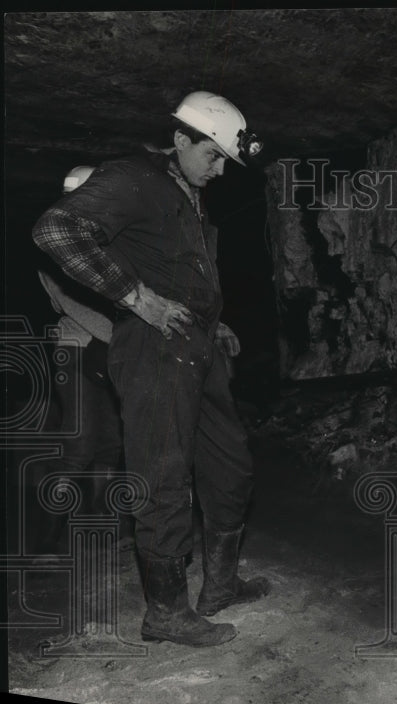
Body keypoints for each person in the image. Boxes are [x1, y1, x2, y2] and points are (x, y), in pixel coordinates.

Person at [32, 91, 269, 647]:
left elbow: (185, 268)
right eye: (212, 155)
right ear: (181, 138)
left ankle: (222, 584)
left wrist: (217, 322)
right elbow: (55, 232)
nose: (218, 169)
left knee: (230, 464)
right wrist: (137, 299)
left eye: (224, 161)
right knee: (163, 475)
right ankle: (165, 613)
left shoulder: (187, 194)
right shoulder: (133, 178)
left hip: (197, 343)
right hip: (155, 344)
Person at [28, 166, 133, 558]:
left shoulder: (106, 245)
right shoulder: (54, 245)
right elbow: (76, 304)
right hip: (73, 352)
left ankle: (103, 523)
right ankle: (45, 540)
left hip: (106, 353)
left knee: (111, 444)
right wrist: (129, 335)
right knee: (80, 447)